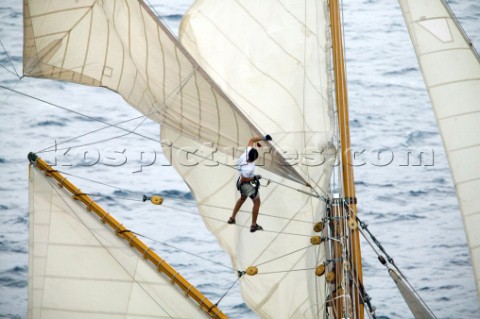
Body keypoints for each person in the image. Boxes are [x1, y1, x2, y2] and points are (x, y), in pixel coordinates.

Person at [228, 134, 272, 232]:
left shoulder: (246, 153)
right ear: (254, 159)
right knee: (257, 203)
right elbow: (244, 179)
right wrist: (254, 177)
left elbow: (252, 140)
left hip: (241, 183)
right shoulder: (249, 168)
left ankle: (232, 218)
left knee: (242, 199)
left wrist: (264, 139)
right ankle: (253, 225)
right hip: (245, 184)